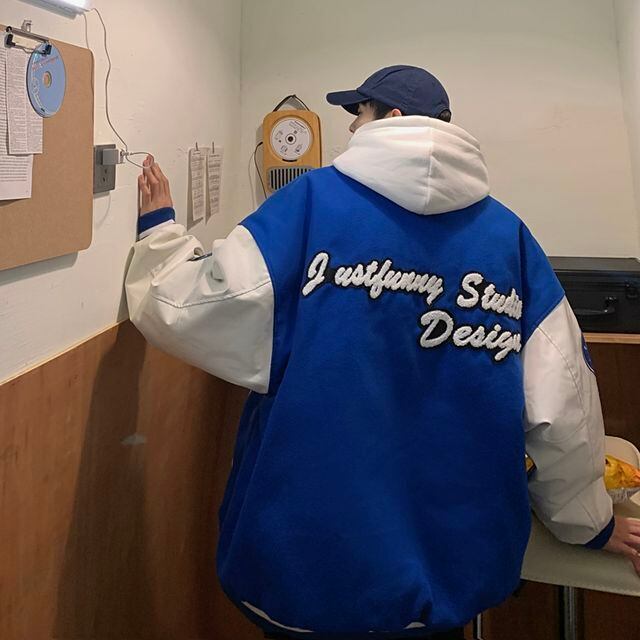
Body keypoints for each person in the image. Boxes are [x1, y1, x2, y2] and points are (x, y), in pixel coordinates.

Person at [125, 65, 640, 640]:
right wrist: (588, 523)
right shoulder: (509, 239)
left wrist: (160, 235)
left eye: (359, 114)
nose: (351, 129)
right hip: (454, 572)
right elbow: (565, 409)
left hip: (309, 565)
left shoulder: (307, 207)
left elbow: (195, 309)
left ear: (391, 117)